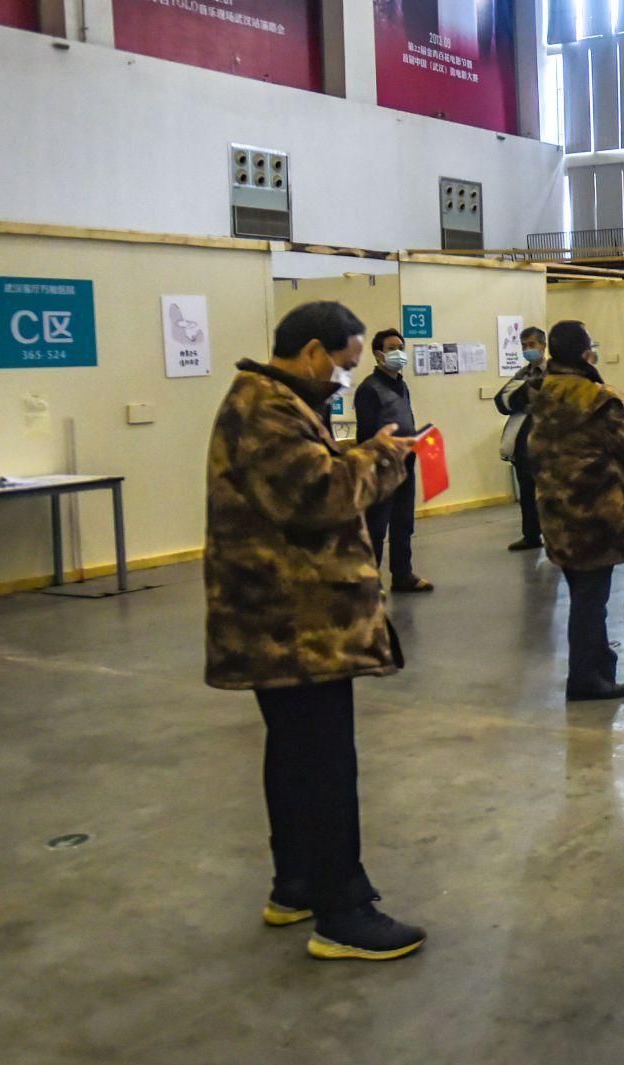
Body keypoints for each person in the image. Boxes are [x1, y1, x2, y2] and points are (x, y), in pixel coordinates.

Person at [204, 301, 426, 962]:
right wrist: (382, 458)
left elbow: (305, 477)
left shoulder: (271, 403)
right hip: (295, 622)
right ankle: (342, 911)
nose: (344, 377)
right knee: (326, 764)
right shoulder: (266, 409)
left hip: (286, 620)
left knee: (295, 755)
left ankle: (296, 883)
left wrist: (361, 453)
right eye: (344, 364)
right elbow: (316, 495)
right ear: (310, 352)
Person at [529, 321, 624, 701]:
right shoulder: (598, 399)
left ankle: (598, 668)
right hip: (596, 515)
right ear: (586, 354)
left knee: (584, 595)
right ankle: (585, 678)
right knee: (590, 601)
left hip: (555, 512)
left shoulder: (541, 392)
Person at [353, 329, 432, 593]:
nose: (398, 352)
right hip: (381, 466)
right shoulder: (369, 389)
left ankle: (402, 574)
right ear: (378, 354)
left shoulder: (402, 385)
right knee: (376, 526)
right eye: (391, 348)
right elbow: (366, 434)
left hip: (406, 463)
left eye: (401, 347)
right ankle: (370, 581)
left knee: (403, 522)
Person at [494, 325, 546, 552]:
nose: (527, 349)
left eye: (532, 345)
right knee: (527, 490)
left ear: (543, 346)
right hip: (524, 443)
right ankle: (531, 535)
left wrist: (525, 398)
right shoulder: (522, 374)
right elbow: (502, 401)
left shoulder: (553, 373)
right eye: (524, 346)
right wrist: (526, 397)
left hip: (547, 441)